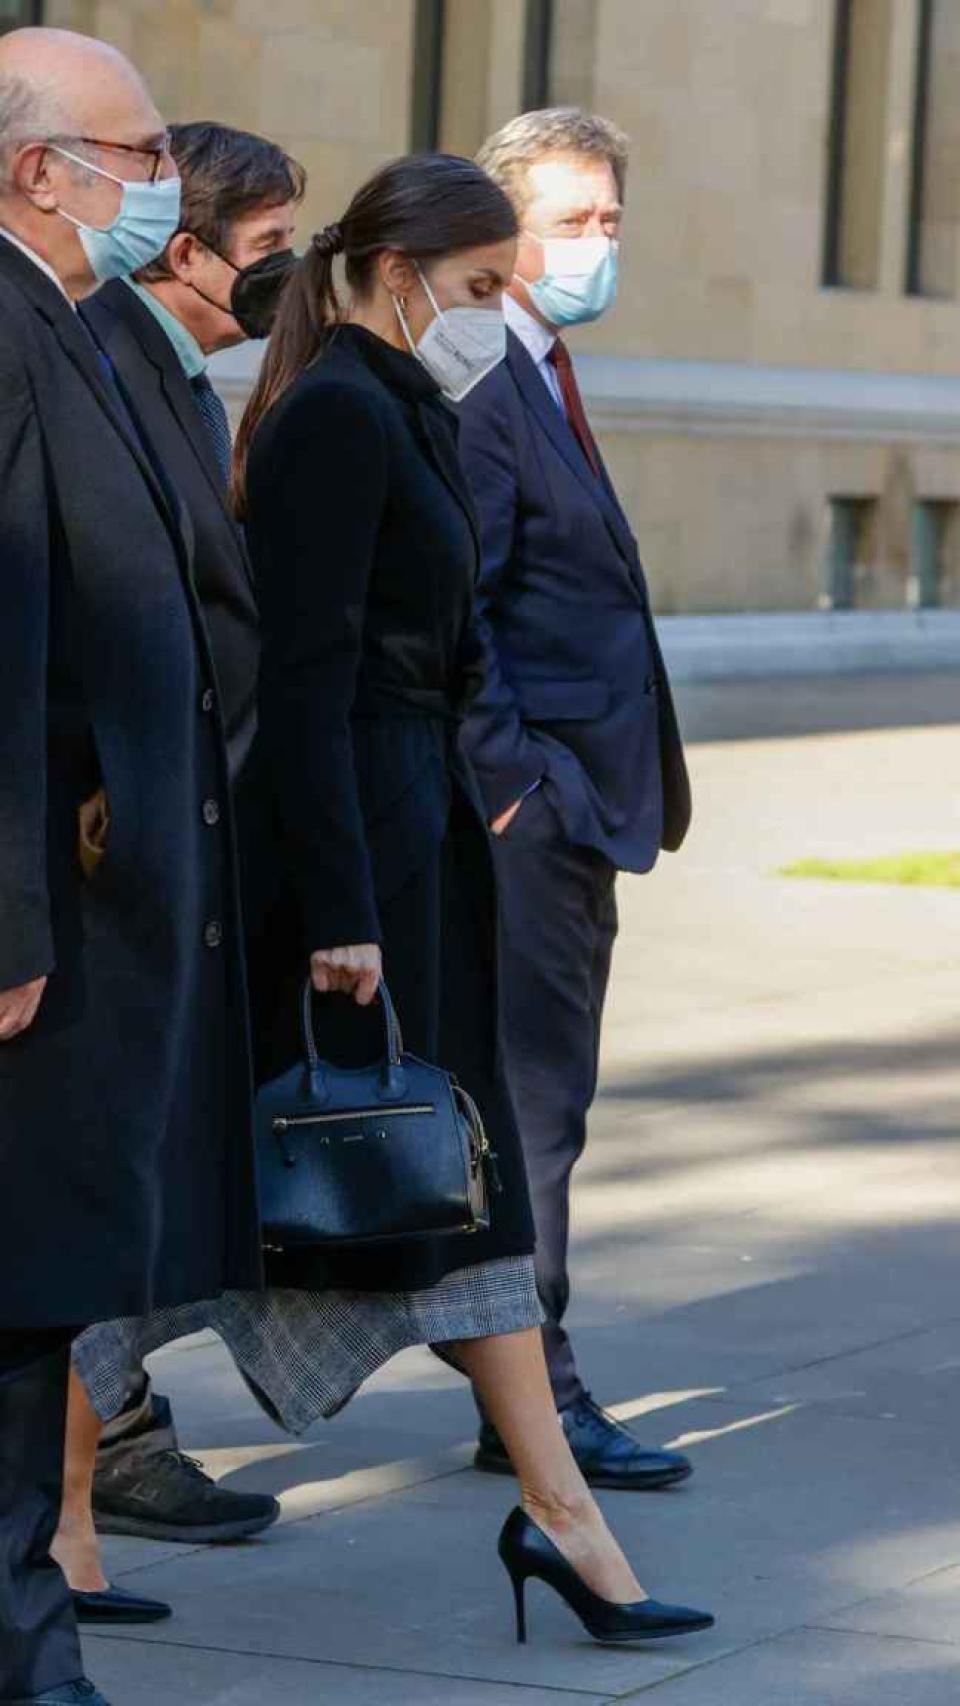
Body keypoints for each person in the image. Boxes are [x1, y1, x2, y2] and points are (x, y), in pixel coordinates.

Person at [228, 148, 710, 1645]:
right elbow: (305, 684)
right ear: (396, 274)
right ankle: (59, 1514)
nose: (502, 312)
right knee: (199, 1203)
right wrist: (342, 906)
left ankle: (561, 1513)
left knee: (473, 1174)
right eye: (483, 284)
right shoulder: (335, 414)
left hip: (425, 832)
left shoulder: (411, 403)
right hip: (363, 847)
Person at [0, 27, 261, 1706]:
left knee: (39, 1293)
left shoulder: (73, 320)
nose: (168, 180)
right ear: (42, 171)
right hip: (36, 929)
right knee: (20, 1295)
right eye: (144, 151)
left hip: (106, 901)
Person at [53, 122, 305, 1621]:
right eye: (268, 248)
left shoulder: (180, 377)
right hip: (112, 851)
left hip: (174, 840)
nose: (287, 273)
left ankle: (89, 1489)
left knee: (126, 1196)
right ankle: (66, 1521)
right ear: (189, 249)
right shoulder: (96, 356)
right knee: (89, 1197)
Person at [457, 109, 695, 1490]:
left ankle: (519, 1398)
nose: (597, 243)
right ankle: (537, 1401)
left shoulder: (545, 365)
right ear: (503, 233)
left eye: (610, 219)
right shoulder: (484, 378)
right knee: (537, 1109)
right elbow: (458, 607)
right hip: (529, 814)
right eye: (569, 222)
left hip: (573, 800)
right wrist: (514, 787)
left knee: (551, 1105)